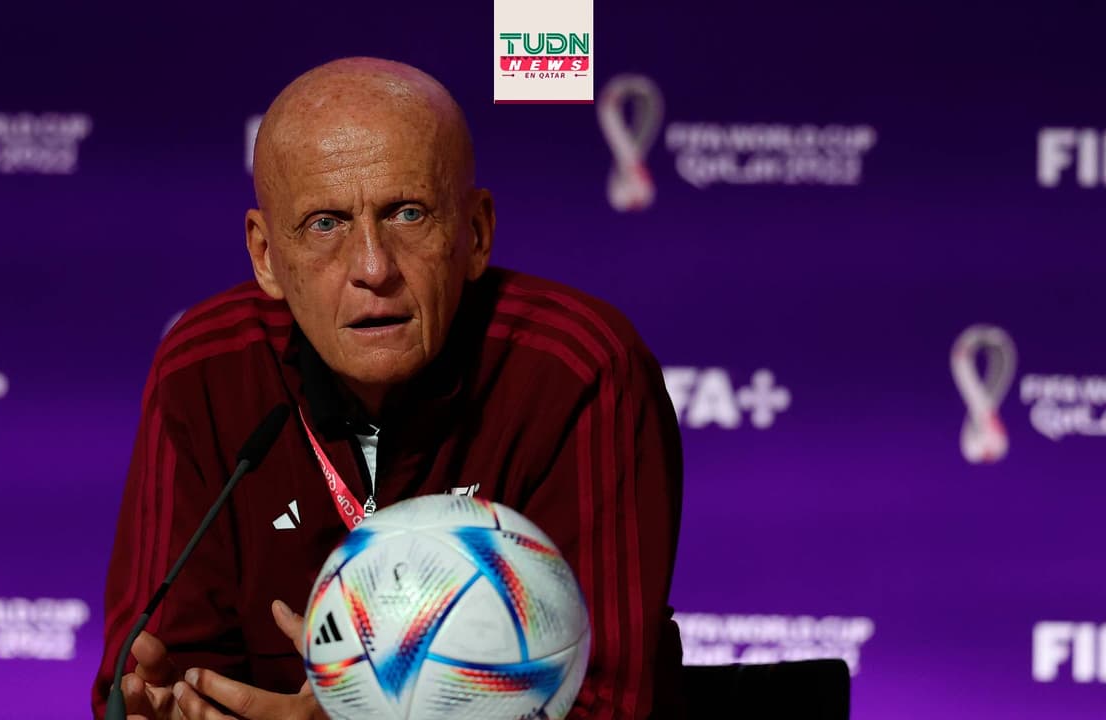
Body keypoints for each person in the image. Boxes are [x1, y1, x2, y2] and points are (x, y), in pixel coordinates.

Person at [93, 57, 684, 719]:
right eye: (325, 224)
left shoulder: (577, 371)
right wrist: (160, 704)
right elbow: (155, 671)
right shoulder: (207, 368)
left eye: (407, 213)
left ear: (476, 233)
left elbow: (605, 704)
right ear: (265, 255)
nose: (373, 268)